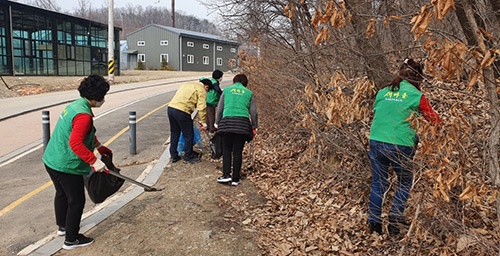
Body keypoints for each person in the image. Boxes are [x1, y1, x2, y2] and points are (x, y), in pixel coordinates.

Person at [367, 58, 442, 235]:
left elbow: (377, 113)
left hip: (376, 140)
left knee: (379, 182)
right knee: (405, 181)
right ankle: (394, 217)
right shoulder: (417, 96)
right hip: (400, 144)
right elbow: (434, 121)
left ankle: (374, 225)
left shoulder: (383, 92)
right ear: (419, 78)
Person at [42, 74, 112, 250]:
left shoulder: (75, 105)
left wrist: (98, 146)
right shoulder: (84, 115)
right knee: (76, 200)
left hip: (51, 159)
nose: (103, 99)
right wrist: (94, 161)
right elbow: (75, 143)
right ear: (97, 96)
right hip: (66, 164)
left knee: (62, 194)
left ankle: (63, 227)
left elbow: (83, 133)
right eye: (103, 96)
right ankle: (71, 239)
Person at [215, 74, 258, 186]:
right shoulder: (249, 93)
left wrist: (217, 123)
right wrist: (254, 126)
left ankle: (225, 175)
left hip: (227, 123)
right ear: (245, 83)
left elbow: (220, 109)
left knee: (227, 149)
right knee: (237, 151)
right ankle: (235, 178)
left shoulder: (227, 90)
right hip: (242, 125)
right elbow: (253, 112)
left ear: (234, 81)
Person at [168, 78, 213, 163]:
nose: (206, 92)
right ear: (206, 86)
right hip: (182, 111)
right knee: (188, 134)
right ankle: (188, 156)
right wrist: (204, 122)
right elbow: (201, 107)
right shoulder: (201, 90)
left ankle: (173, 155)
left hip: (171, 108)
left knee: (174, 133)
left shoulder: (187, 84)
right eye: (207, 90)